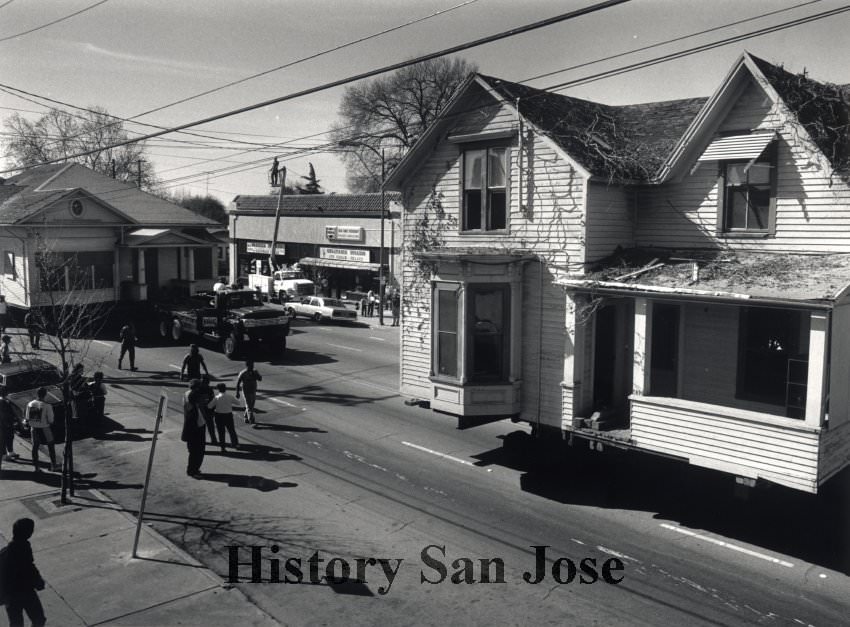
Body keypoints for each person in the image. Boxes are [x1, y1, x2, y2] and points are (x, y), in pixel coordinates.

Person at [0, 518, 47, 627]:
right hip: (25, 592)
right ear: (28, 533)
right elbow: (29, 567)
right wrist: (38, 581)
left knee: (16, 623)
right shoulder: (23, 548)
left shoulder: (6, 551)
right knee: (38, 619)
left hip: (11, 595)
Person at [26, 387, 58, 472]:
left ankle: (36, 467)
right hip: (44, 428)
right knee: (51, 446)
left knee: (35, 447)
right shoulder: (47, 405)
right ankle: (53, 466)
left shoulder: (30, 404)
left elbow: (27, 418)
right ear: (45, 394)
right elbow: (51, 420)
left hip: (34, 429)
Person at [181, 379, 206, 478]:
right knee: (197, 452)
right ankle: (192, 471)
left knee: (195, 451)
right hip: (196, 429)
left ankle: (194, 469)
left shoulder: (186, 395)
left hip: (196, 427)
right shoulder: (193, 411)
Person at [208, 383, 239, 452]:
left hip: (219, 416)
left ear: (218, 389)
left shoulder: (216, 397)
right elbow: (238, 403)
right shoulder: (229, 396)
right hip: (228, 415)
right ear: (225, 388)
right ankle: (235, 444)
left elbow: (209, 406)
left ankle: (223, 447)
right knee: (231, 430)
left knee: (221, 432)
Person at [236, 359, 262, 425]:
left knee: (252, 405)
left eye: (253, 365)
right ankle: (251, 420)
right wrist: (237, 392)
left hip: (253, 390)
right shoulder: (243, 373)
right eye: (250, 365)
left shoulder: (255, 371)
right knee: (249, 406)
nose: (252, 366)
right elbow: (238, 383)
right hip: (246, 391)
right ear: (247, 365)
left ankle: (245, 417)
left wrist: (256, 375)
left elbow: (260, 379)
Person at [197, 374, 218, 446]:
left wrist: (213, 411)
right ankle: (209, 440)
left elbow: (213, 400)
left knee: (209, 426)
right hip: (202, 411)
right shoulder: (199, 389)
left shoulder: (207, 389)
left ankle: (213, 440)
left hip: (207, 411)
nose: (203, 383)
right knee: (204, 428)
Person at [0, 386, 18, 464]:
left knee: (10, 437)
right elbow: (3, 414)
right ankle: (4, 455)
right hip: (4, 424)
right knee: (4, 439)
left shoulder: (5, 400)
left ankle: (10, 452)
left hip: (6, 423)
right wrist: (7, 423)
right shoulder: (2, 401)